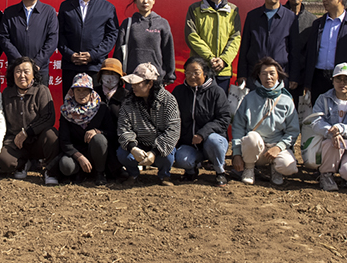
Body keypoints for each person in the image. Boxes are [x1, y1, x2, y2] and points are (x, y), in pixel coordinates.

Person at [231, 57, 298, 186]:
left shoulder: (287, 101)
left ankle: (276, 169)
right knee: (251, 137)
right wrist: (237, 154)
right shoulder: (249, 99)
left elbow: (293, 131)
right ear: (258, 76)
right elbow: (238, 127)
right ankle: (249, 168)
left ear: (278, 75)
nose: (268, 77)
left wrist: (279, 147)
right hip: (255, 149)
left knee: (288, 167)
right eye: (264, 74)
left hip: (277, 147)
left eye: (272, 73)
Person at [303, 63, 347, 190]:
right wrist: (332, 132)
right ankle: (326, 174)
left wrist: (340, 129)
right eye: (338, 79)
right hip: (330, 145)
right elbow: (316, 122)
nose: (342, 83)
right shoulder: (323, 99)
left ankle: (346, 176)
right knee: (332, 142)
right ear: (332, 81)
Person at [114, 63, 179, 185]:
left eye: (137, 83)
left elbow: (173, 130)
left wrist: (155, 152)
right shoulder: (128, 102)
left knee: (167, 156)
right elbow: (124, 128)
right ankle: (133, 174)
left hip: (159, 144)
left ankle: (164, 175)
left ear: (150, 84)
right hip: (139, 144)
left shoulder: (168, 100)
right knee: (122, 154)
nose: (133, 86)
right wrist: (133, 148)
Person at [172, 56, 232, 185]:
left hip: (211, 141)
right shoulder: (179, 92)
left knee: (214, 141)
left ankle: (220, 171)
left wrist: (202, 134)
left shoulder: (217, 92)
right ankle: (191, 171)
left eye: (196, 72)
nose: (192, 76)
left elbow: (224, 118)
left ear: (204, 73)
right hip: (189, 143)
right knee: (182, 159)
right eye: (188, 73)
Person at [57, 0, 119, 89]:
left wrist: (93, 55)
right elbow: (59, 34)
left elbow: (112, 35)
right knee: (70, 99)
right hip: (71, 66)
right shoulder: (66, 6)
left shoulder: (107, 7)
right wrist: (70, 55)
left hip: (95, 67)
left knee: (96, 100)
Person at [0, 57, 58, 182]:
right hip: (16, 142)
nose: (22, 75)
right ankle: (24, 164)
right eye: (18, 71)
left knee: (51, 135)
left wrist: (27, 132)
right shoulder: (6, 93)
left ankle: (51, 171)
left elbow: (48, 118)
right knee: (4, 161)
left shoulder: (42, 90)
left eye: (26, 72)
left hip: (37, 141)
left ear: (33, 74)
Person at [53, 72, 115, 185]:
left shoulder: (101, 108)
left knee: (99, 139)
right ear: (72, 92)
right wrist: (79, 157)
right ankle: (79, 173)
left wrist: (97, 131)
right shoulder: (66, 111)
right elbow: (64, 141)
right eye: (78, 90)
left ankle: (99, 173)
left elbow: (112, 133)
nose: (81, 94)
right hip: (76, 152)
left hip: (96, 153)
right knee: (66, 166)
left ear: (91, 92)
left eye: (85, 90)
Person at [185, 0, 242, 85]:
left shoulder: (233, 11)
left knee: (221, 98)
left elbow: (235, 38)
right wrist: (210, 58)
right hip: (200, 69)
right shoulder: (195, 9)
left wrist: (224, 60)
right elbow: (192, 36)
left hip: (223, 70)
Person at [0, 0, 58, 78]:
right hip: (16, 69)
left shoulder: (49, 12)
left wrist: (37, 63)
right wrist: (20, 62)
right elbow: (4, 39)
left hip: (39, 69)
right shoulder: (10, 12)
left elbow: (52, 40)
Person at [115, 0, 176, 81]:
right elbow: (118, 52)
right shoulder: (128, 24)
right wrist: (117, 73)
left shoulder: (162, 23)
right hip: (132, 77)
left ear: (154, 0)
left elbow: (168, 51)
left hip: (155, 77)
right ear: (135, 0)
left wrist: (169, 76)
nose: (145, 1)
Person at [240, 0, 297, 79]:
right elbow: (245, 46)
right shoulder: (252, 16)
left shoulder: (290, 17)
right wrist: (242, 74)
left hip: (280, 73)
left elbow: (294, 50)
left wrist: (293, 77)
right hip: (255, 73)